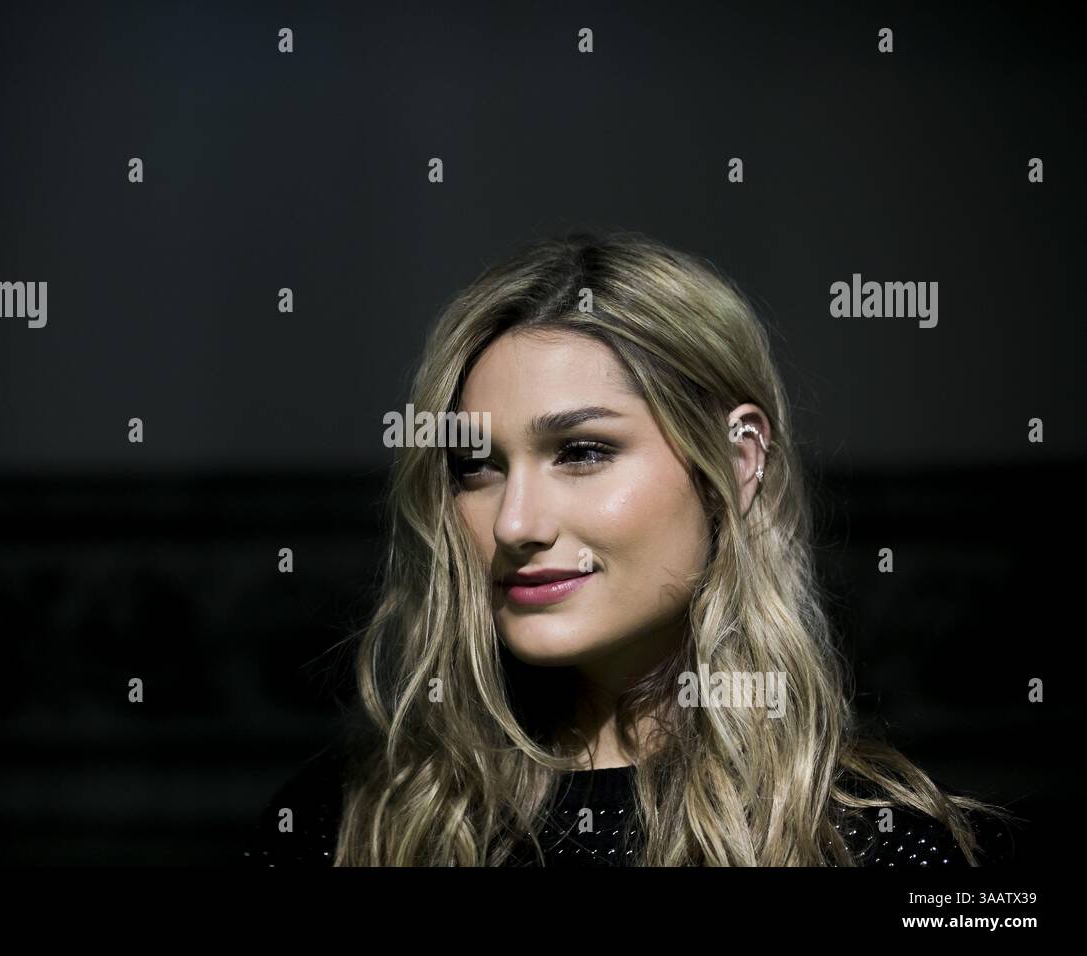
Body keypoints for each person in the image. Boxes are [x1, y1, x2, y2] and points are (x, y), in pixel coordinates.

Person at [243, 230, 1015, 867]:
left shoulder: (885, 847)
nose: (515, 523)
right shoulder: (344, 826)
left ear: (739, 462)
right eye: (475, 466)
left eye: (580, 451)